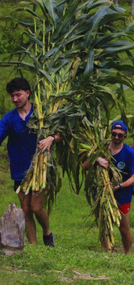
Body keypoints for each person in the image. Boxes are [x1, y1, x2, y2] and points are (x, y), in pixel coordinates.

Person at [0, 77, 58, 246]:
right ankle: (33, 246)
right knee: (25, 208)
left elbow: (61, 132)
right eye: (12, 96)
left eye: (18, 95)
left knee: (36, 207)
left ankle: (47, 233)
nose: (15, 99)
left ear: (27, 93)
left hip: (40, 167)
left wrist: (51, 138)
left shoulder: (41, 113)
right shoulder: (9, 119)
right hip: (19, 168)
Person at [88, 120, 134, 253]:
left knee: (123, 227)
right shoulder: (101, 148)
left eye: (120, 135)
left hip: (122, 194)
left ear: (125, 136)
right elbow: (84, 166)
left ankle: (128, 253)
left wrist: (120, 186)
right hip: (103, 192)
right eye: (114, 134)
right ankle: (108, 251)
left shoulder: (129, 153)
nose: (116, 137)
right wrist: (96, 159)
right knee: (104, 224)